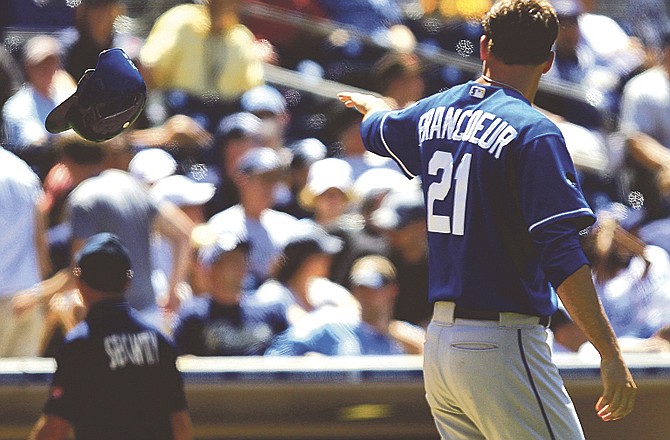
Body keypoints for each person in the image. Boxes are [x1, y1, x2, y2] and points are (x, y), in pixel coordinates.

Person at [338, 0, 636, 437]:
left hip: (439, 346)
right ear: (549, 60)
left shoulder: (434, 110)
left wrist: (374, 112)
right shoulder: (534, 131)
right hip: (503, 342)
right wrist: (608, 351)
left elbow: (381, 131)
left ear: (484, 48)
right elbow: (560, 251)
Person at [29, 233, 192, 440]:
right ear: (127, 281)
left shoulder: (79, 346)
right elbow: (181, 425)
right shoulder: (160, 342)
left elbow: (54, 429)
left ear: (79, 281)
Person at [265, 255, 424, 356]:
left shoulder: (403, 337)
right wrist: (306, 367)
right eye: (361, 287)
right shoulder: (329, 322)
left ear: (392, 291)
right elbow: (277, 355)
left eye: (374, 288)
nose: (365, 294)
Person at [173, 230, 279, 356]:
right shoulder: (193, 317)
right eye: (231, 261)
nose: (240, 266)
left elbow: (289, 353)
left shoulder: (271, 312)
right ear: (212, 268)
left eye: (242, 259)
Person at [207, 147, 299, 288]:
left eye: (275, 180)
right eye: (265, 179)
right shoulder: (221, 224)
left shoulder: (289, 225)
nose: (270, 187)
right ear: (242, 180)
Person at [0, 147, 50, 357]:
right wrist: (42, 294)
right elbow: (41, 241)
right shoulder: (23, 171)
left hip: (20, 294)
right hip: (27, 294)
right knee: (23, 386)